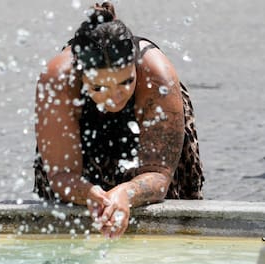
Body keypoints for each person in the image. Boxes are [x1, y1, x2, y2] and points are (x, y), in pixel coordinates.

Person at [33, 2, 204, 238]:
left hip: (148, 120)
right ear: (80, 74)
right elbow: (61, 174)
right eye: (99, 86)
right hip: (80, 134)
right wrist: (90, 193)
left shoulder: (157, 77)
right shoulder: (58, 81)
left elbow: (159, 174)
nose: (114, 97)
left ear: (135, 67)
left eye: (126, 82)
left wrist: (126, 193)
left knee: (168, 228)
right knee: (65, 226)